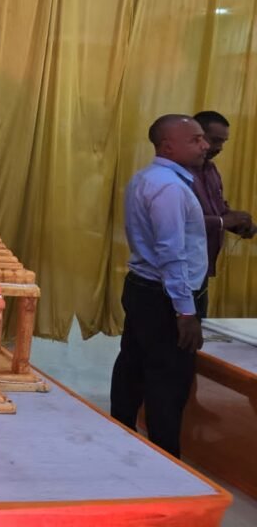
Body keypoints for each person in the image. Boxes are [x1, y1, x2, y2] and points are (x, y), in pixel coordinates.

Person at [110, 114, 208, 458]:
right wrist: (185, 311)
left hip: (145, 288)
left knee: (133, 368)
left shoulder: (148, 178)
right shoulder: (169, 187)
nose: (205, 146)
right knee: (167, 383)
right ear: (168, 146)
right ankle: (166, 462)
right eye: (195, 139)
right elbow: (171, 253)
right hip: (165, 296)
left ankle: (121, 441)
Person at [190, 110, 255, 317]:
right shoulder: (173, 175)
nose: (219, 148)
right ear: (195, 137)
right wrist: (222, 221)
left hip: (201, 268)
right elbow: (178, 222)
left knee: (196, 330)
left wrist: (239, 223)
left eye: (223, 142)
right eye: (215, 140)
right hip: (176, 270)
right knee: (174, 333)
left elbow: (219, 210)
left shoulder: (210, 170)